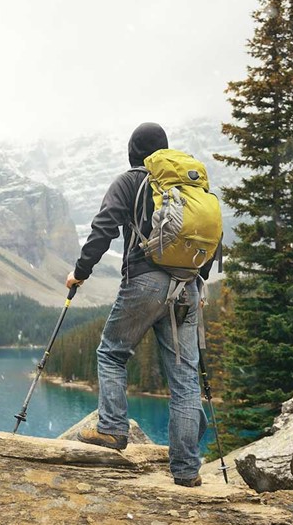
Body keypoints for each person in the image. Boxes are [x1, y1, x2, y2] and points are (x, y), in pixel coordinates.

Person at [66, 122, 216, 487]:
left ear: (133, 151)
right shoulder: (187, 186)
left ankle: (113, 430)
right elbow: (208, 239)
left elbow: (103, 228)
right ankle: (185, 471)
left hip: (145, 281)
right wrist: (195, 278)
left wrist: (80, 272)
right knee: (183, 379)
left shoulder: (131, 181)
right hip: (188, 284)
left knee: (112, 353)